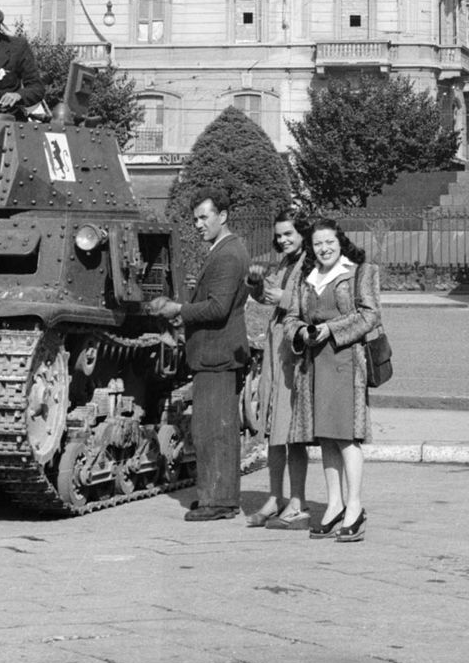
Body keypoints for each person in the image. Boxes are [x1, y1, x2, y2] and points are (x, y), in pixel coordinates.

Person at [146, 192, 250, 522]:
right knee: (211, 428)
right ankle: (217, 497)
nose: (199, 223)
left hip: (216, 352)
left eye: (205, 217)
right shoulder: (225, 250)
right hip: (215, 352)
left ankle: (218, 503)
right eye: (196, 218)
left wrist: (179, 310)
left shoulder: (228, 254)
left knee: (213, 431)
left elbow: (218, 307)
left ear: (224, 215)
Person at [292, 220, 381, 542]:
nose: (324, 249)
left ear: (340, 242)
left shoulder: (360, 272)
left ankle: (355, 508)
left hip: (345, 362)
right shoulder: (307, 277)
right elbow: (292, 318)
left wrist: (332, 330)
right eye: (318, 244)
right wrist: (302, 332)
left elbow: (371, 315)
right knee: (326, 437)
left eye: (329, 242)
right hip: (315, 364)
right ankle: (334, 506)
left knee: (346, 437)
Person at [244, 210, 312, 528]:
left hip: (296, 357)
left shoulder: (310, 263)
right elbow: (264, 294)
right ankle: (275, 497)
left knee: (293, 432)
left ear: (302, 233)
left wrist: (283, 298)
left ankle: (297, 501)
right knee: (274, 430)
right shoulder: (285, 262)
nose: (283, 239)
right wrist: (256, 284)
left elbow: (316, 302)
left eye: (289, 234)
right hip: (276, 352)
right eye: (280, 235)